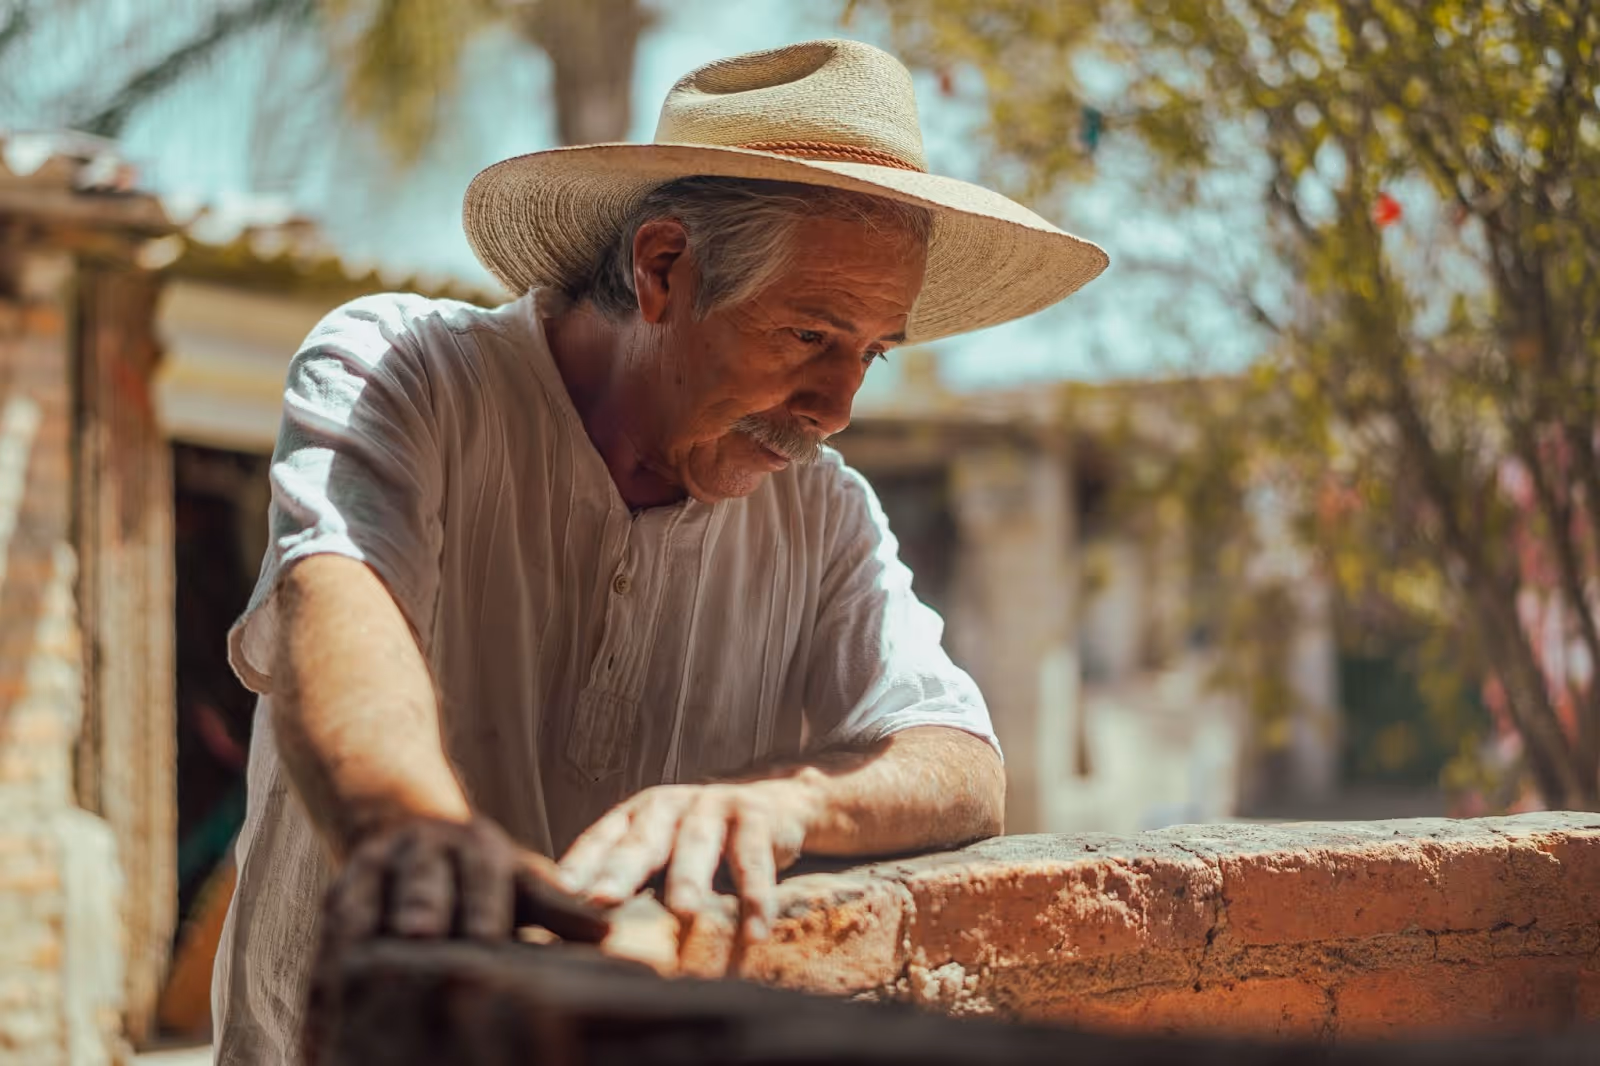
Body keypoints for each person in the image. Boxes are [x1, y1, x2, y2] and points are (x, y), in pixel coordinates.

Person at [212, 38, 1107, 1065]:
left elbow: (959, 765)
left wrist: (783, 800)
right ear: (662, 267)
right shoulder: (398, 371)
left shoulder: (824, 517)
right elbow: (342, 616)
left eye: (870, 352)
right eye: (811, 336)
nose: (838, 406)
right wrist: (416, 826)